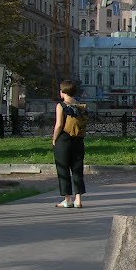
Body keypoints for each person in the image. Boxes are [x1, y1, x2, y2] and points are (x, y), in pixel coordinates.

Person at [52, 80, 86, 209]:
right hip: (78, 140)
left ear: (63, 92)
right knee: (77, 169)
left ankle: (67, 199)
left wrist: (54, 139)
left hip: (64, 140)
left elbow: (59, 125)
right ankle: (78, 199)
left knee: (63, 169)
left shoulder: (61, 106)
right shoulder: (80, 106)